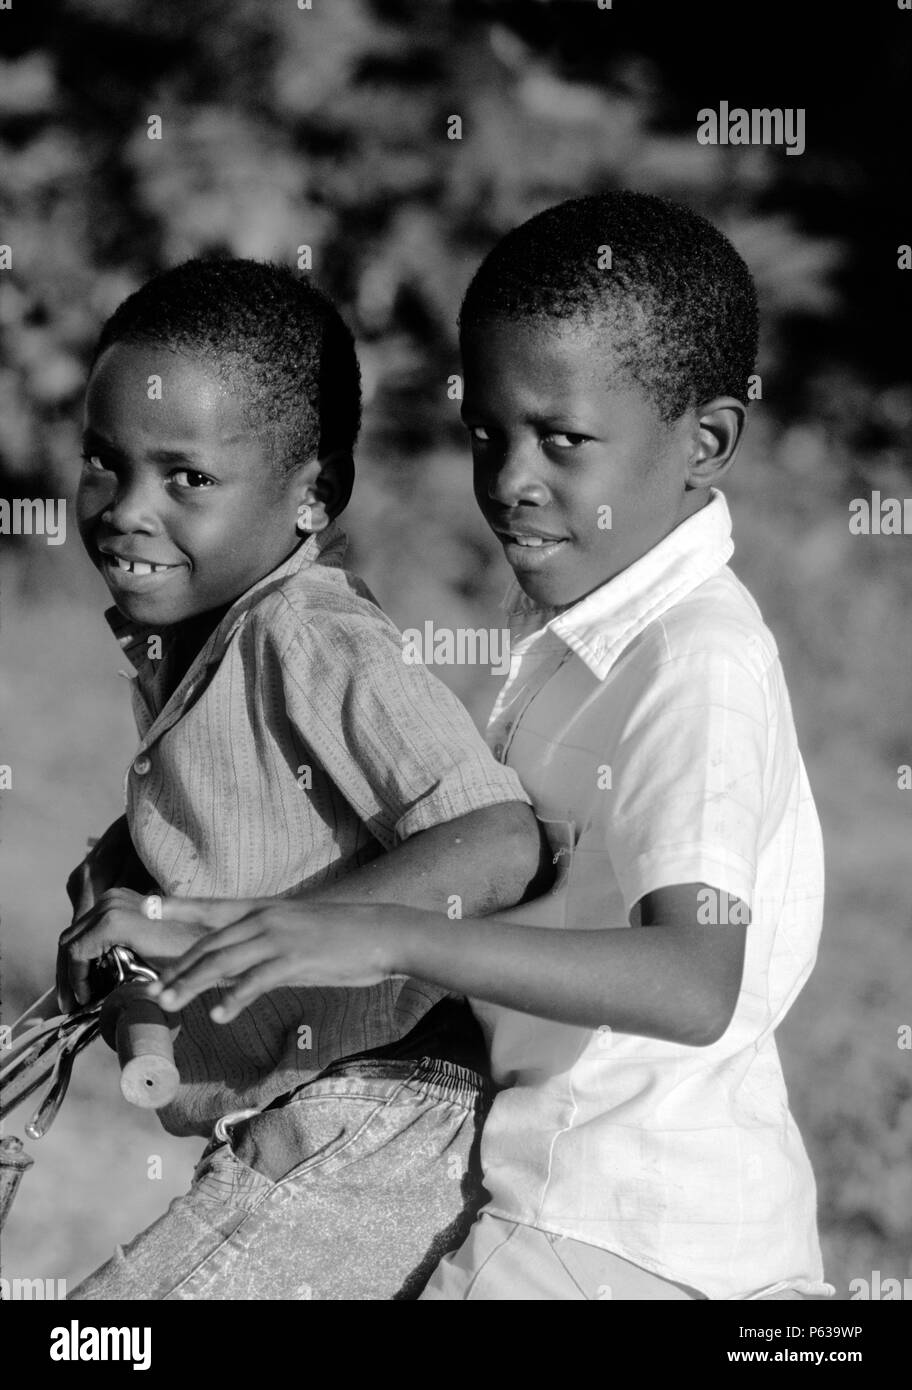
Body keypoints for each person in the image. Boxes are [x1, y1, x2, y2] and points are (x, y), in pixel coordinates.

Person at [148, 194, 834, 1300]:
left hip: (611, 1235)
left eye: (561, 440)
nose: (510, 478)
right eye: (487, 435)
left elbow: (693, 980)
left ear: (705, 441)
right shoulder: (577, 639)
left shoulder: (694, 663)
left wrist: (397, 937)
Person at [58, 257, 549, 1300]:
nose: (126, 509)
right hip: (305, 1121)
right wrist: (118, 884)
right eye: (105, 462)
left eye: (187, 477)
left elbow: (496, 840)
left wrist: (231, 934)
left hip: (383, 1119)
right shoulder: (200, 643)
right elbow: (231, 827)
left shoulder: (312, 631)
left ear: (311, 492)